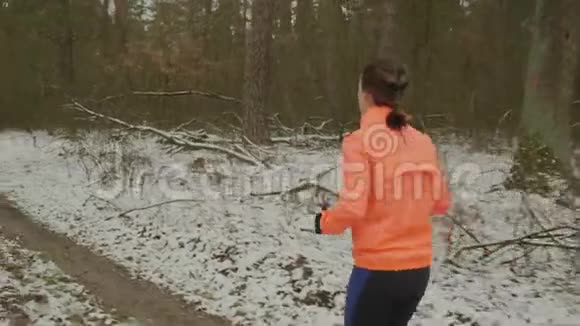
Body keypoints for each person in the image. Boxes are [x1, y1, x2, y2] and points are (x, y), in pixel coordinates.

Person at [313, 59, 451, 326]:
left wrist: (321, 222)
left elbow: (353, 208)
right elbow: (440, 203)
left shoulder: (360, 142)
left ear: (365, 95)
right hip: (418, 271)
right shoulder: (422, 142)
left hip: (377, 272)